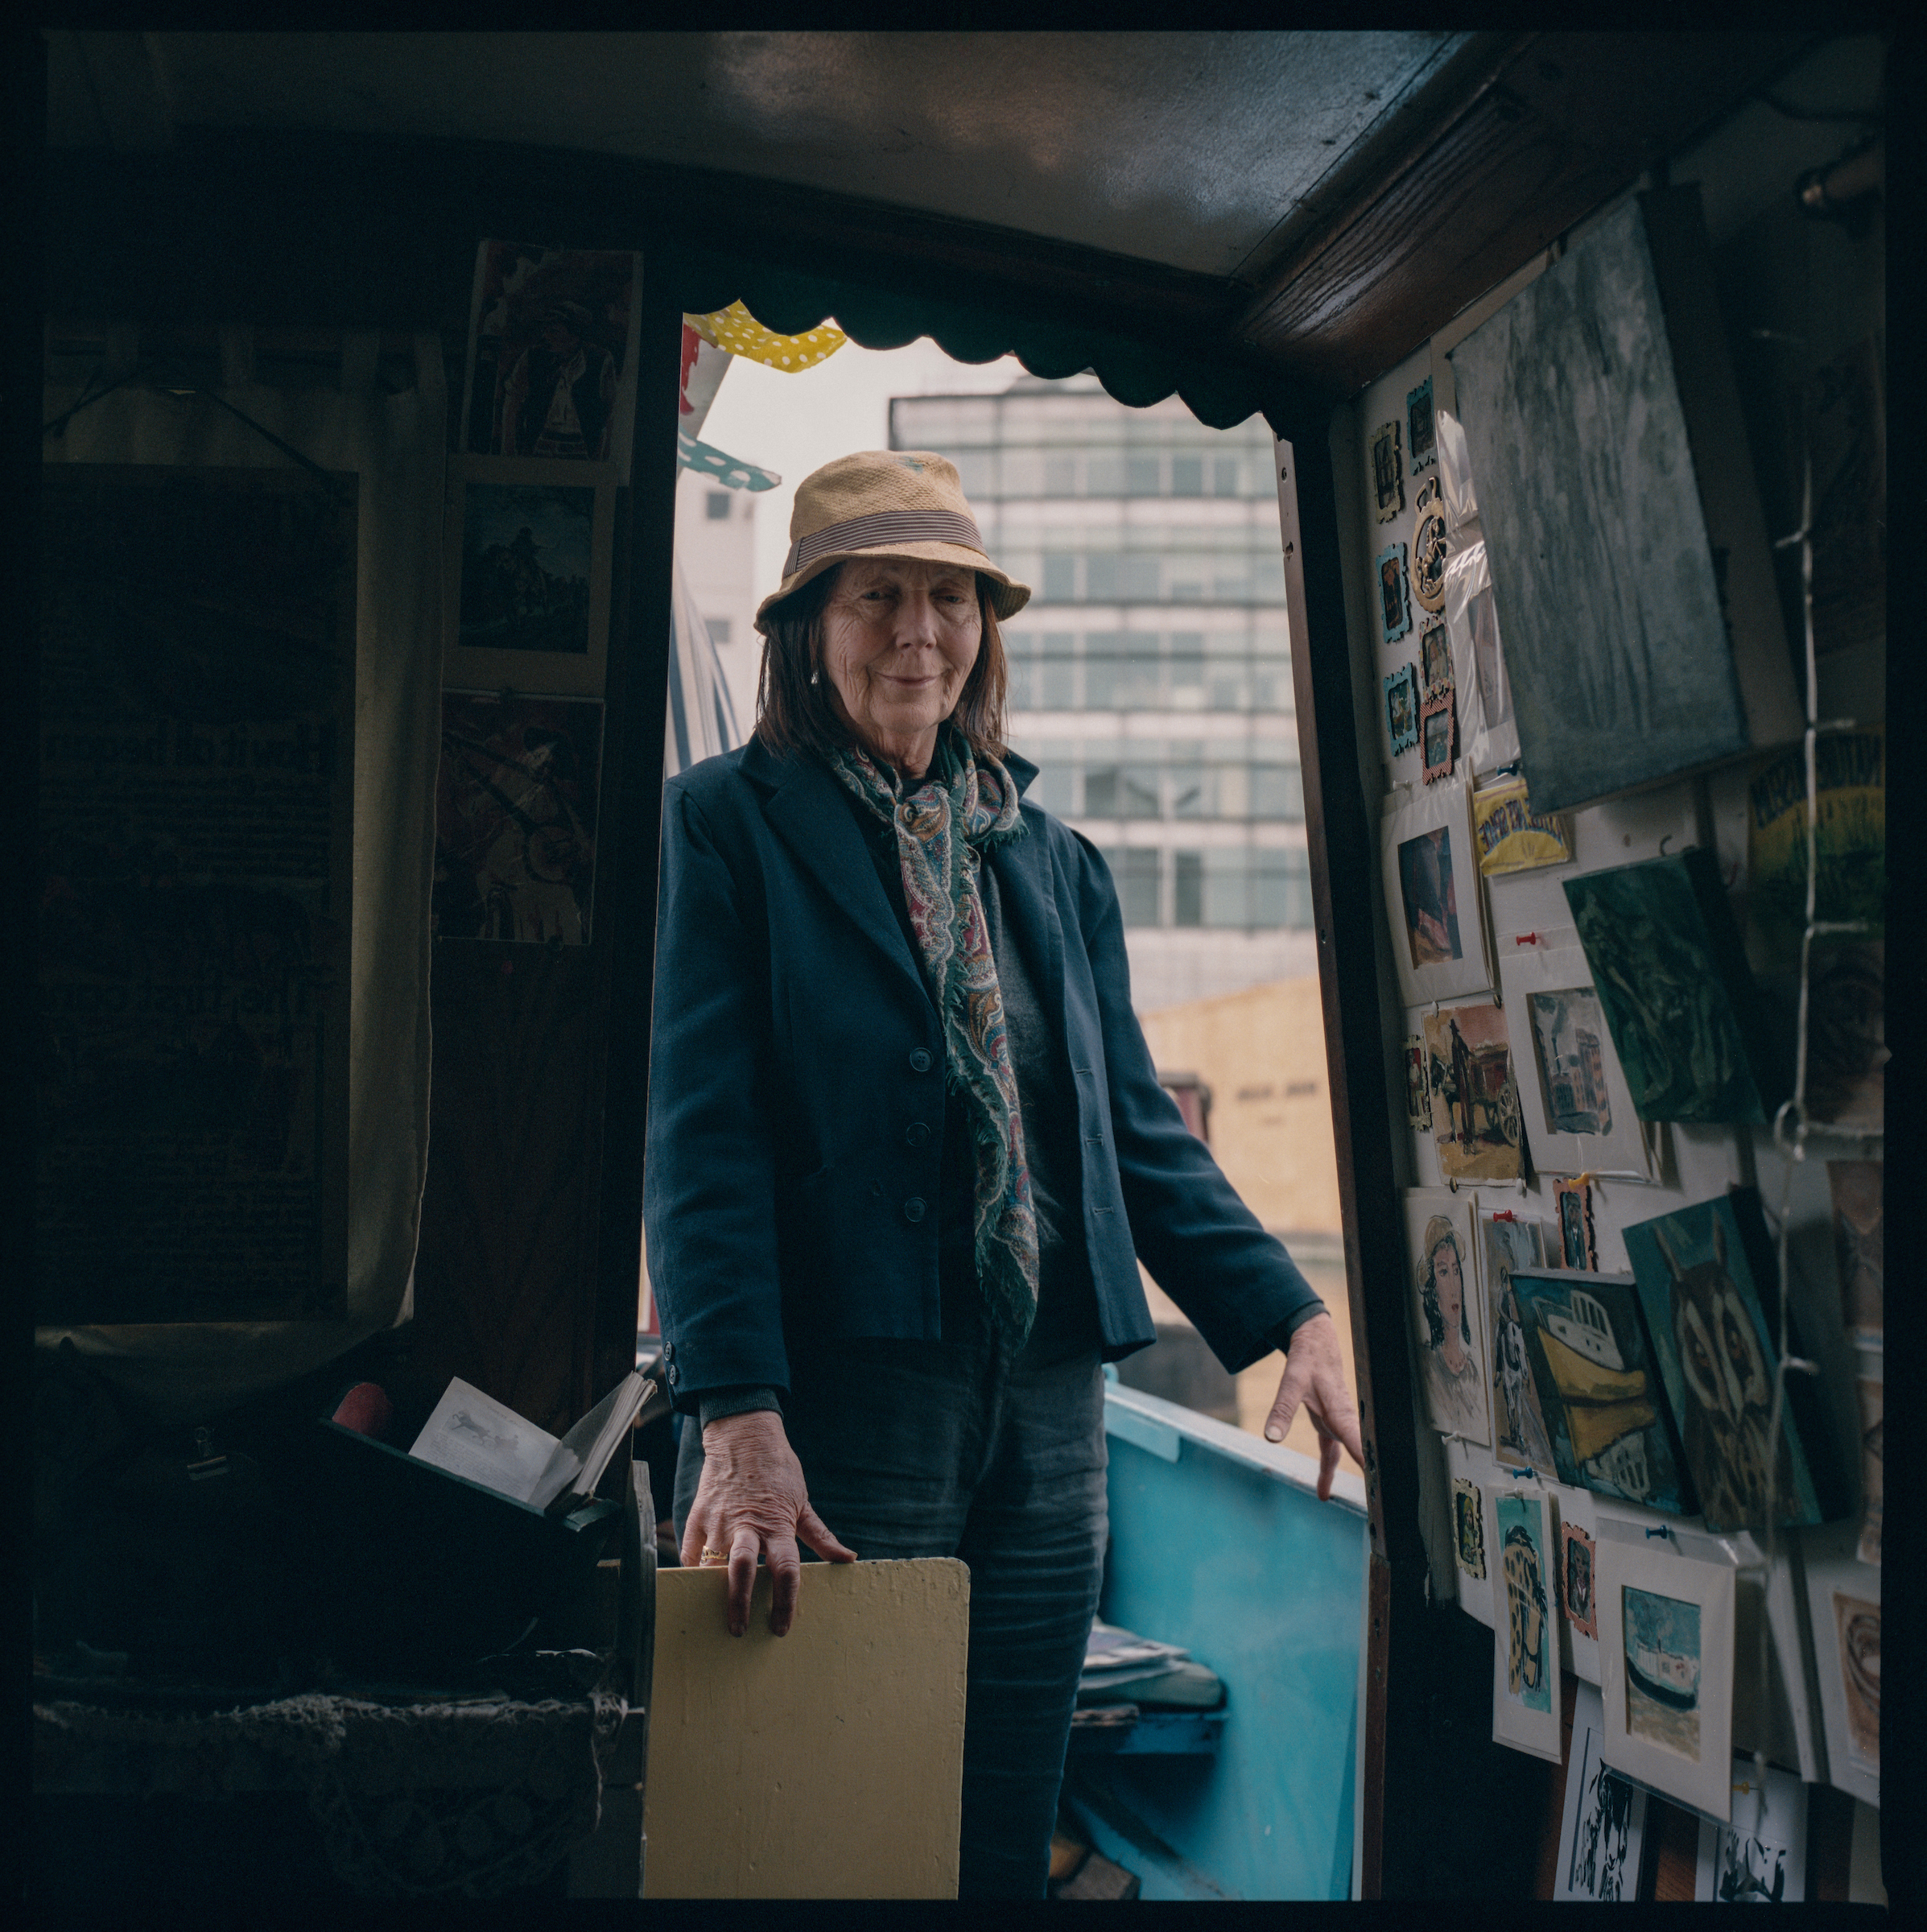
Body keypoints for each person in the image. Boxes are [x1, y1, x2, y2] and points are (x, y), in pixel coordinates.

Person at [644, 449, 1364, 1899]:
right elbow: (698, 1128)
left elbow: (1131, 1134)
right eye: (878, 596)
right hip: (844, 1409)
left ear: (984, 628)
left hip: (1044, 1414)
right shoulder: (724, 826)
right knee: (817, 1817)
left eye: (950, 598)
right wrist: (738, 1416)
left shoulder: (1049, 859)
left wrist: (1290, 1313)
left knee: (993, 1827)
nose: (920, 629)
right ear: (807, 628)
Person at [1416, 1214, 1483, 1436]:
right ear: (1433, 1289)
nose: (1454, 1286)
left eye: (1456, 1271)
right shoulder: (1428, 1363)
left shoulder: (1472, 1371)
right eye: (1444, 1272)